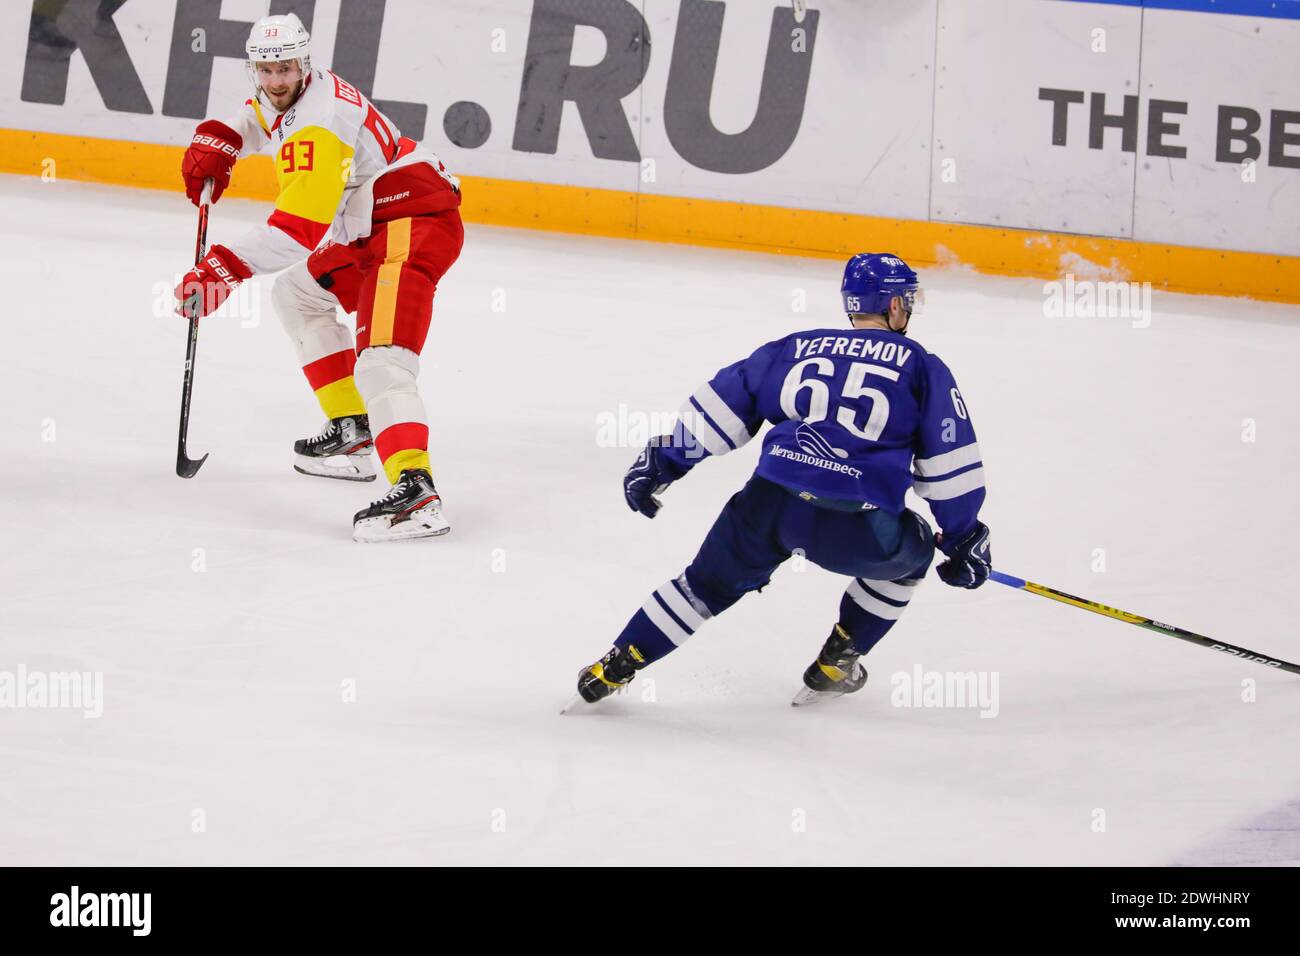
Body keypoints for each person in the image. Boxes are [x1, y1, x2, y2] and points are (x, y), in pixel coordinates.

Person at [572, 253, 992, 707]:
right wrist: (964, 535)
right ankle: (839, 659)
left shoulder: (799, 347)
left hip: (769, 506)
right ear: (893, 306)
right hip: (858, 525)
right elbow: (949, 465)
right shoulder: (922, 367)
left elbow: (727, 405)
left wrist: (666, 461)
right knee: (914, 557)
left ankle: (617, 663)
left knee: (704, 586)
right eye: (906, 300)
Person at [174, 13, 463, 542]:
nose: (276, 79)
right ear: (254, 70)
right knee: (298, 295)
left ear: (304, 64)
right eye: (266, 69)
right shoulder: (291, 93)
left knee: (383, 361)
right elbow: (257, 117)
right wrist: (223, 139)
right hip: (373, 225)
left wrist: (222, 269)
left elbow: (297, 232)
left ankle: (418, 492)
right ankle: (354, 434)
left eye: (285, 67)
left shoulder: (317, 126)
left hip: (410, 225)